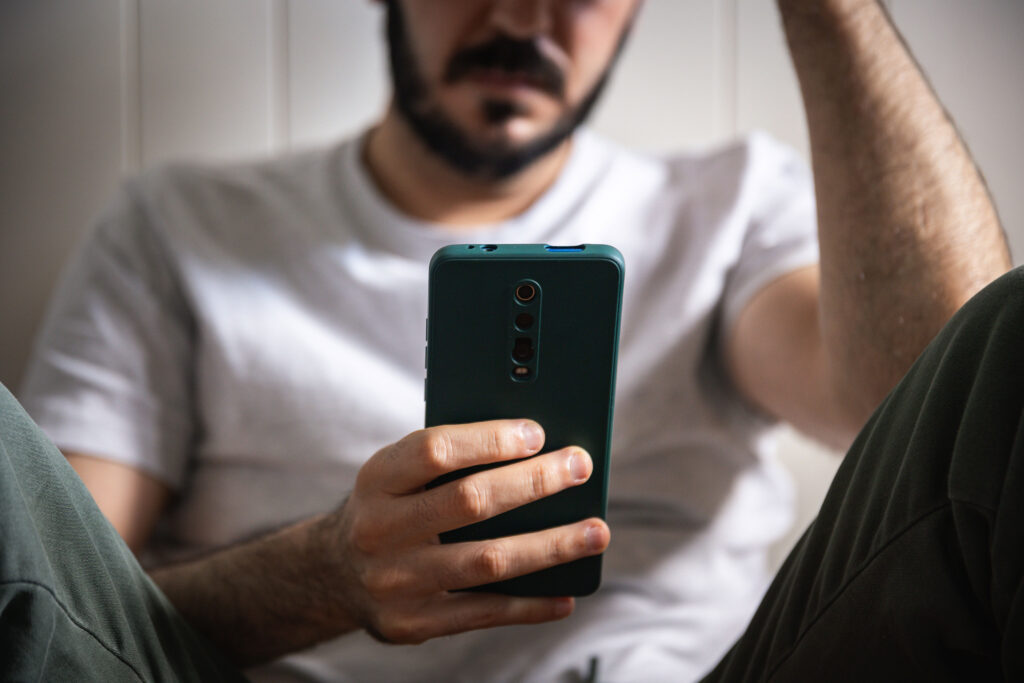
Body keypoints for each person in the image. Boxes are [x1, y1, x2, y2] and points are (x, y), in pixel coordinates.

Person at [11, 0, 1013, 680]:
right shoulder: (180, 226)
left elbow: (940, 398)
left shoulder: (732, 207)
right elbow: (61, 586)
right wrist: (323, 571)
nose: (527, 14)